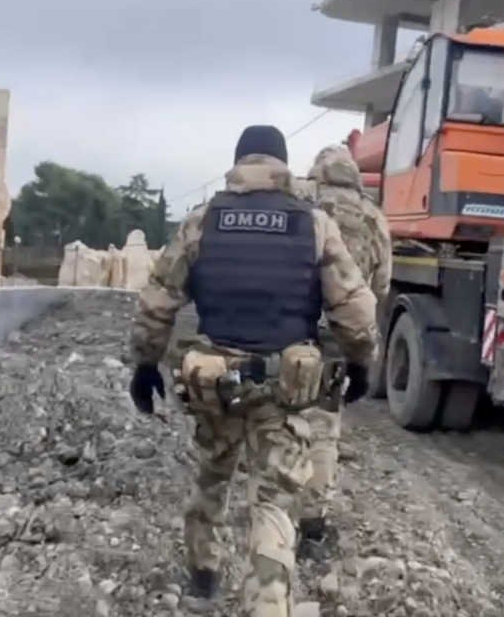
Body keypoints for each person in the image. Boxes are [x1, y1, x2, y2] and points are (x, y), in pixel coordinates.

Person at [128, 125, 379, 617]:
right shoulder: (314, 225)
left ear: (239, 161)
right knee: (273, 504)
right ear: (283, 164)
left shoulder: (202, 221)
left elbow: (157, 301)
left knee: (212, 478)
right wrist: (360, 361)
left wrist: (146, 362)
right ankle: (267, 605)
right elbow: (355, 310)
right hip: (283, 389)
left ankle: (202, 578)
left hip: (213, 385)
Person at [293, 144, 392, 558]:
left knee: (276, 421)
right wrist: (362, 352)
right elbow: (380, 286)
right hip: (337, 337)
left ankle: (269, 514)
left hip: (289, 328)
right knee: (322, 431)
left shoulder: (300, 200)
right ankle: (312, 528)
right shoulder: (373, 217)